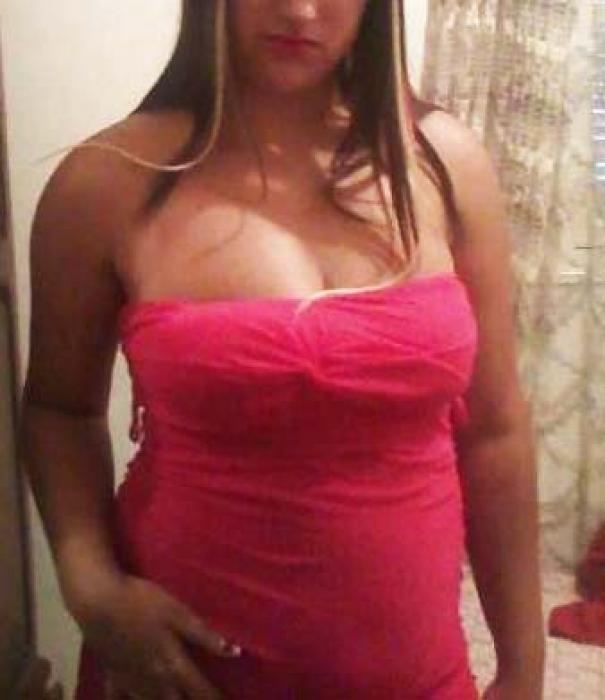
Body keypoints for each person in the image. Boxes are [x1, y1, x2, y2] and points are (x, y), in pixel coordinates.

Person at [19, 0, 545, 698]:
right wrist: (89, 584)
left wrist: (522, 669)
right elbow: (59, 409)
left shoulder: (443, 162)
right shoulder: (109, 179)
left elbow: (495, 432)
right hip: (181, 675)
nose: (300, 10)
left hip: (416, 676)